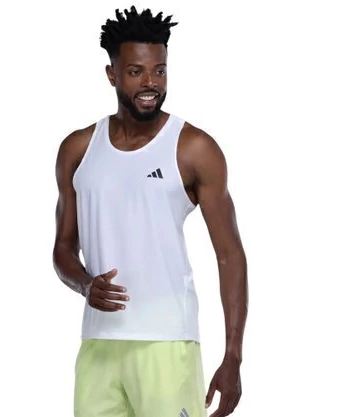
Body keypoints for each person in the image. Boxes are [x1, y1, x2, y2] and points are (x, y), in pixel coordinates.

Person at [53, 5, 248, 417]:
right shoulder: (78, 149)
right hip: (99, 345)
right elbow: (63, 249)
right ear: (112, 75)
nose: (150, 83)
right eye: (136, 71)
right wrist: (86, 285)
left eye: (159, 71)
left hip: (168, 342)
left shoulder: (193, 148)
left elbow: (230, 254)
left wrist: (233, 356)